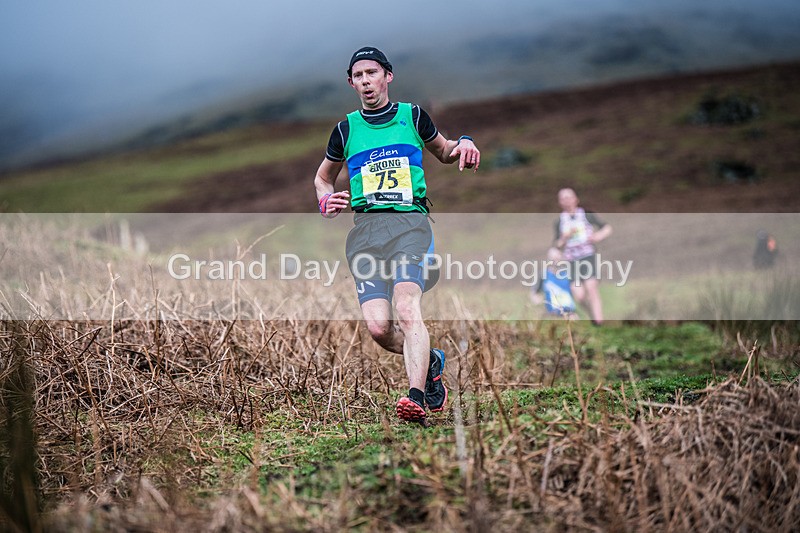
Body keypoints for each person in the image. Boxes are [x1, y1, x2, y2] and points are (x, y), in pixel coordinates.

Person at [313, 46, 481, 425]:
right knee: (378, 329)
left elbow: (445, 151)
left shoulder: (413, 116)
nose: (366, 81)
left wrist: (465, 142)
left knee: (407, 309)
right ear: (351, 82)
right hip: (366, 232)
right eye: (358, 76)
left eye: (372, 73)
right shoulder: (345, 129)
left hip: (410, 226)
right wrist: (325, 201)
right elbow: (322, 178)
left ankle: (415, 396)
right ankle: (432, 360)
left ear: (388, 76)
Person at [553, 188, 612, 325]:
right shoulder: (559, 221)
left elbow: (607, 228)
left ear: (576, 199)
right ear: (560, 202)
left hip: (588, 256)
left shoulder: (587, 215)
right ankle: (592, 314)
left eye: (569, 197)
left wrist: (598, 236)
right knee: (578, 294)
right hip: (571, 260)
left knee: (591, 288)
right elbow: (557, 244)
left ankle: (599, 322)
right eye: (563, 198)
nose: (567, 200)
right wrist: (564, 238)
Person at [531, 247, 577, 318]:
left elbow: (578, 292)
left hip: (569, 312)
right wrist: (537, 302)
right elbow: (534, 293)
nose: (556, 261)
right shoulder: (544, 275)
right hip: (553, 314)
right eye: (553, 258)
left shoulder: (568, 274)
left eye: (558, 258)